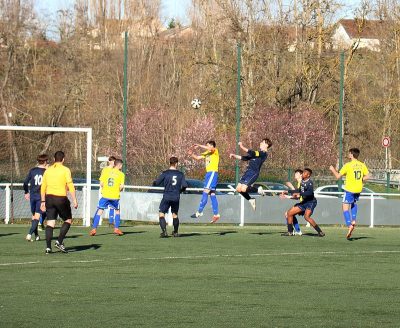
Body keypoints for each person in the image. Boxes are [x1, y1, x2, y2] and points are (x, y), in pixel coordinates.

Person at [40, 151, 78, 254]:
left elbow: (43, 186)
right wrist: (74, 200)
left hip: (49, 198)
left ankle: (48, 248)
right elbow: (70, 185)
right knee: (68, 220)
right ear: (63, 159)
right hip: (61, 198)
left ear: (53, 159)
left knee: (50, 222)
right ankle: (59, 241)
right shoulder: (65, 170)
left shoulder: (48, 170)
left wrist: (43, 201)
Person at [329, 148, 370, 239]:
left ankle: (349, 225)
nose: (348, 154)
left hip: (350, 189)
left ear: (351, 154)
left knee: (344, 207)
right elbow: (368, 175)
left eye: (349, 153)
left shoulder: (348, 165)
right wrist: (360, 180)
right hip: (358, 189)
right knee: (353, 203)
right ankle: (354, 220)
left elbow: (338, 176)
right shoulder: (362, 165)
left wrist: (332, 169)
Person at [229, 138, 272, 211]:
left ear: (267, 145)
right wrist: (234, 155)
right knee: (238, 189)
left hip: (254, 173)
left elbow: (252, 153)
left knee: (243, 189)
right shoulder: (258, 153)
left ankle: (257, 189)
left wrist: (242, 146)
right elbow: (245, 158)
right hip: (247, 172)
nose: (260, 143)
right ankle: (251, 199)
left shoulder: (263, 154)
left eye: (263, 142)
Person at [282, 168, 325, 237]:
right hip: (304, 202)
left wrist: (300, 194)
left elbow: (310, 193)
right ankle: (290, 232)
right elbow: (299, 190)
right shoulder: (302, 182)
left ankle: (320, 232)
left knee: (306, 217)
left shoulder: (309, 183)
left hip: (311, 202)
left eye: (304, 173)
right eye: (303, 172)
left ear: (308, 175)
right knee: (289, 213)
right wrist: (288, 191)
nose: (303, 174)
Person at [153, 156, 188, 238]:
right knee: (175, 214)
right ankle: (175, 232)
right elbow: (185, 185)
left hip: (167, 196)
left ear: (170, 163)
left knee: (161, 213)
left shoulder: (165, 173)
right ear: (176, 164)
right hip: (176, 197)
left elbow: (157, 183)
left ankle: (164, 232)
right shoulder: (180, 174)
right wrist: (180, 191)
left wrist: (154, 182)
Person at [90, 159, 125, 236]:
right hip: (115, 196)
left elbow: (101, 183)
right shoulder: (121, 174)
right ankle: (116, 228)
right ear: (119, 165)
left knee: (100, 211)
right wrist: (116, 189)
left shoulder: (106, 171)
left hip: (105, 195)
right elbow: (121, 187)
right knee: (117, 211)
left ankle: (94, 229)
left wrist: (106, 189)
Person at [189, 141, 220, 223]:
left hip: (212, 173)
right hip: (209, 174)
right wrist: (191, 154)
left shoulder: (215, 150)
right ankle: (216, 214)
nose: (207, 147)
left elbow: (210, 149)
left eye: (208, 145)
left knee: (205, 192)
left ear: (212, 145)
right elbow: (198, 158)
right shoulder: (207, 153)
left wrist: (198, 145)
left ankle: (199, 212)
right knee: (212, 194)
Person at [23, 154, 48, 242]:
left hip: (32, 196)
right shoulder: (46, 171)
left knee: (34, 216)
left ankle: (37, 235)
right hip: (41, 196)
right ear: (45, 162)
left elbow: (25, 182)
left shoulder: (32, 170)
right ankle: (29, 234)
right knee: (37, 216)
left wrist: (26, 192)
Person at [280, 169, 303, 236]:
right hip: (303, 204)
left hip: (305, 204)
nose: (295, 175)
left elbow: (298, 195)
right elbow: (298, 196)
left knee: (288, 214)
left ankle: (291, 231)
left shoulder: (302, 183)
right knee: (289, 214)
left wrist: (291, 187)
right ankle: (297, 231)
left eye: (297, 173)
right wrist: (287, 196)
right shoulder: (299, 183)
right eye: (295, 173)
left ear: (301, 175)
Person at [100, 156, 116, 227]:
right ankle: (94, 221)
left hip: (113, 192)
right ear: (109, 161)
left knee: (113, 206)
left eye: (114, 162)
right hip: (106, 192)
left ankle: (111, 221)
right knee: (101, 207)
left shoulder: (115, 170)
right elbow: (102, 181)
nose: (113, 163)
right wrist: (103, 188)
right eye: (112, 161)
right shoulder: (105, 170)